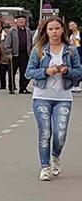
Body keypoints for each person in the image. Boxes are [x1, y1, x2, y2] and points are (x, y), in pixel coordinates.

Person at [25, 17, 82, 181]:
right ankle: (45, 166)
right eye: (51, 29)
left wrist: (67, 71)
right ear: (46, 31)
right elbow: (29, 72)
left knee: (60, 134)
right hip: (42, 96)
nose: (54, 32)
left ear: (63, 30)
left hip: (63, 97)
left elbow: (79, 71)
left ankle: (55, 156)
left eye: (57, 28)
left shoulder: (70, 50)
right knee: (45, 132)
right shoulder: (39, 50)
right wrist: (45, 72)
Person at [5, 15, 35, 94]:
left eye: (23, 20)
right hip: (14, 54)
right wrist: (8, 52)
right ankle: (11, 87)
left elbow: (31, 42)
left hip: (25, 54)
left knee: (24, 72)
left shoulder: (28, 31)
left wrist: (31, 50)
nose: (21, 21)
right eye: (20, 20)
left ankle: (23, 88)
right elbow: (8, 42)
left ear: (25, 21)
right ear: (17, 21)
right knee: (12, 71)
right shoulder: (12, 31)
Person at [0, 23, 15, 93]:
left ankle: (12, 85)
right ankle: (2, 85)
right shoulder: (0, 36)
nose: (7, 30)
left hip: (10, 57)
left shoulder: (12, 36)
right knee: (2, 72)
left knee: (11, 72)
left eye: (8, 28)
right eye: (5, 28)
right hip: (1, 57)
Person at [69, 21, 82, 92]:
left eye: (73, 24)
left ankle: (77, 84)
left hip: (80, 51)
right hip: (72, 52)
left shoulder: (80, 34)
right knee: (73, 67)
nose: (73, 26)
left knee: (79, 68)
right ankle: (74, 85)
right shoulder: (70, 35)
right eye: (71, 25)